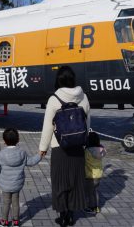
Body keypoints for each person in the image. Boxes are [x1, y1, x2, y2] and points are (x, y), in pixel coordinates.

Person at [39, 66, 90, 226]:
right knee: (75, 182)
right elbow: (87, 123)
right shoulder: (84, 97)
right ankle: (71, 215)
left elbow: (48, 126)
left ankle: (62, 216)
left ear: (58, 80)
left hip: (59, 148)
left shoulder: (54, 99)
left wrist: (43, 147)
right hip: (78, 149)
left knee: (60, 182)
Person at [0, 128, 42, 227]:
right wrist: (39, 155)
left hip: (5, 185)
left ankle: (4, 221)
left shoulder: (2, 154)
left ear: (4, 141)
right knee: (16, 202)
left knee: (6, 202)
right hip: (17, 184)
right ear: (18, 140)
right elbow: (31, 162)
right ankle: (16, 221)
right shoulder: (22, 153)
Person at [83, 132, 107, 214]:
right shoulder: (101, 150)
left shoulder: (87, 151)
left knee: (89, 192)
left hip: (89, 175)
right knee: (95, 191)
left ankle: (90, 207)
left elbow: (83, 160)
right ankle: (96, 207)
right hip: (98, 175)